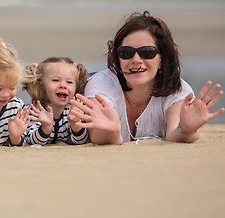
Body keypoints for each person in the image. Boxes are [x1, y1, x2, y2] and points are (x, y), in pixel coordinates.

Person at [72, 11, 224, 144]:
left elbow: (175, 134)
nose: (136, 60)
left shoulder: (178, 90)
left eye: (147, 52)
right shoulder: (101, 84)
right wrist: (112, 132)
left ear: (162, 59)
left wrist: (186, 129)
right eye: (126, 52)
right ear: (118, 58)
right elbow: (97, 136)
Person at [22, 57, 90, 146]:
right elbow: (31, 141)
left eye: (69, 82)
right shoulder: (35, 111)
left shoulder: (76, 110)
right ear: (41, 83)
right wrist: (45, 127)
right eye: (55, 80)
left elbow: (82, 141)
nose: (63, 85)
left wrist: (75, 124)